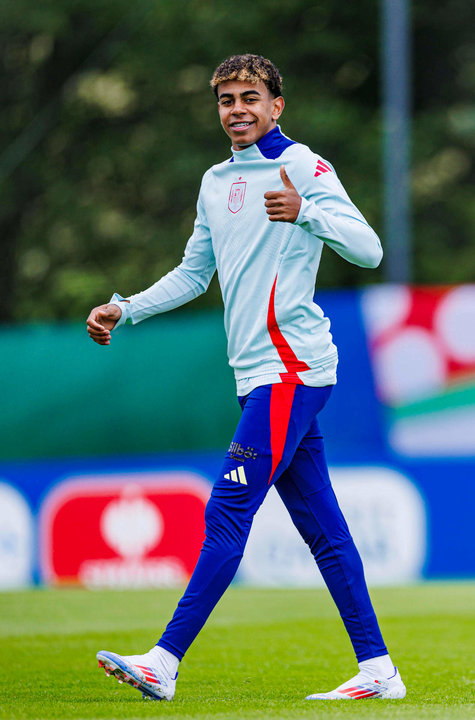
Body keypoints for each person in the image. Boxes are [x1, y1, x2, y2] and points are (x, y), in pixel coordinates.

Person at [87, 54, 406, 702]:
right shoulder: (213, 182)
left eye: (249, 97)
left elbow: (368, 248)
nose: (236, 109)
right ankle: (378, 670)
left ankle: (164, 661)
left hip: (293, 369)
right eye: (226, 99)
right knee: (323, 528)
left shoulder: (304, 168)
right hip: (257, 375)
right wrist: (125, 308)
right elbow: (192, 274)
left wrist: (306, 212)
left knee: (228, 506)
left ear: (276, 105)